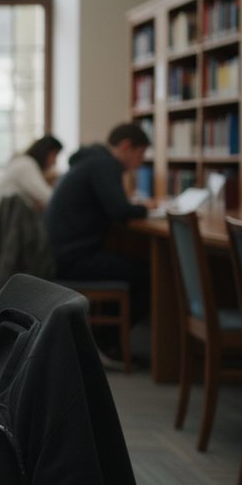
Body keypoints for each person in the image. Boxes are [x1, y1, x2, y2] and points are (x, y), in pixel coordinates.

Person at [44, 123, 152, 338]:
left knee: (129, 264)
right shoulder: (105, 164)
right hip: (73, 259)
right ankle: (110, 342)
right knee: (147, 275)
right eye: (139, 155)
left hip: (59, 254)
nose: (139, 164)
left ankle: (105, 337)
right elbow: (120, 210)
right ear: (125, 146)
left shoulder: (89, 161)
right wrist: (146, 209)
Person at [0, 134, 63, 212]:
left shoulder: (21, 161)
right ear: (45, 152)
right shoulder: (26, 165)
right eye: (54, 155)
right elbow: (47, 197)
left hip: (7, 215)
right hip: (11, 217)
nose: (54, 162)